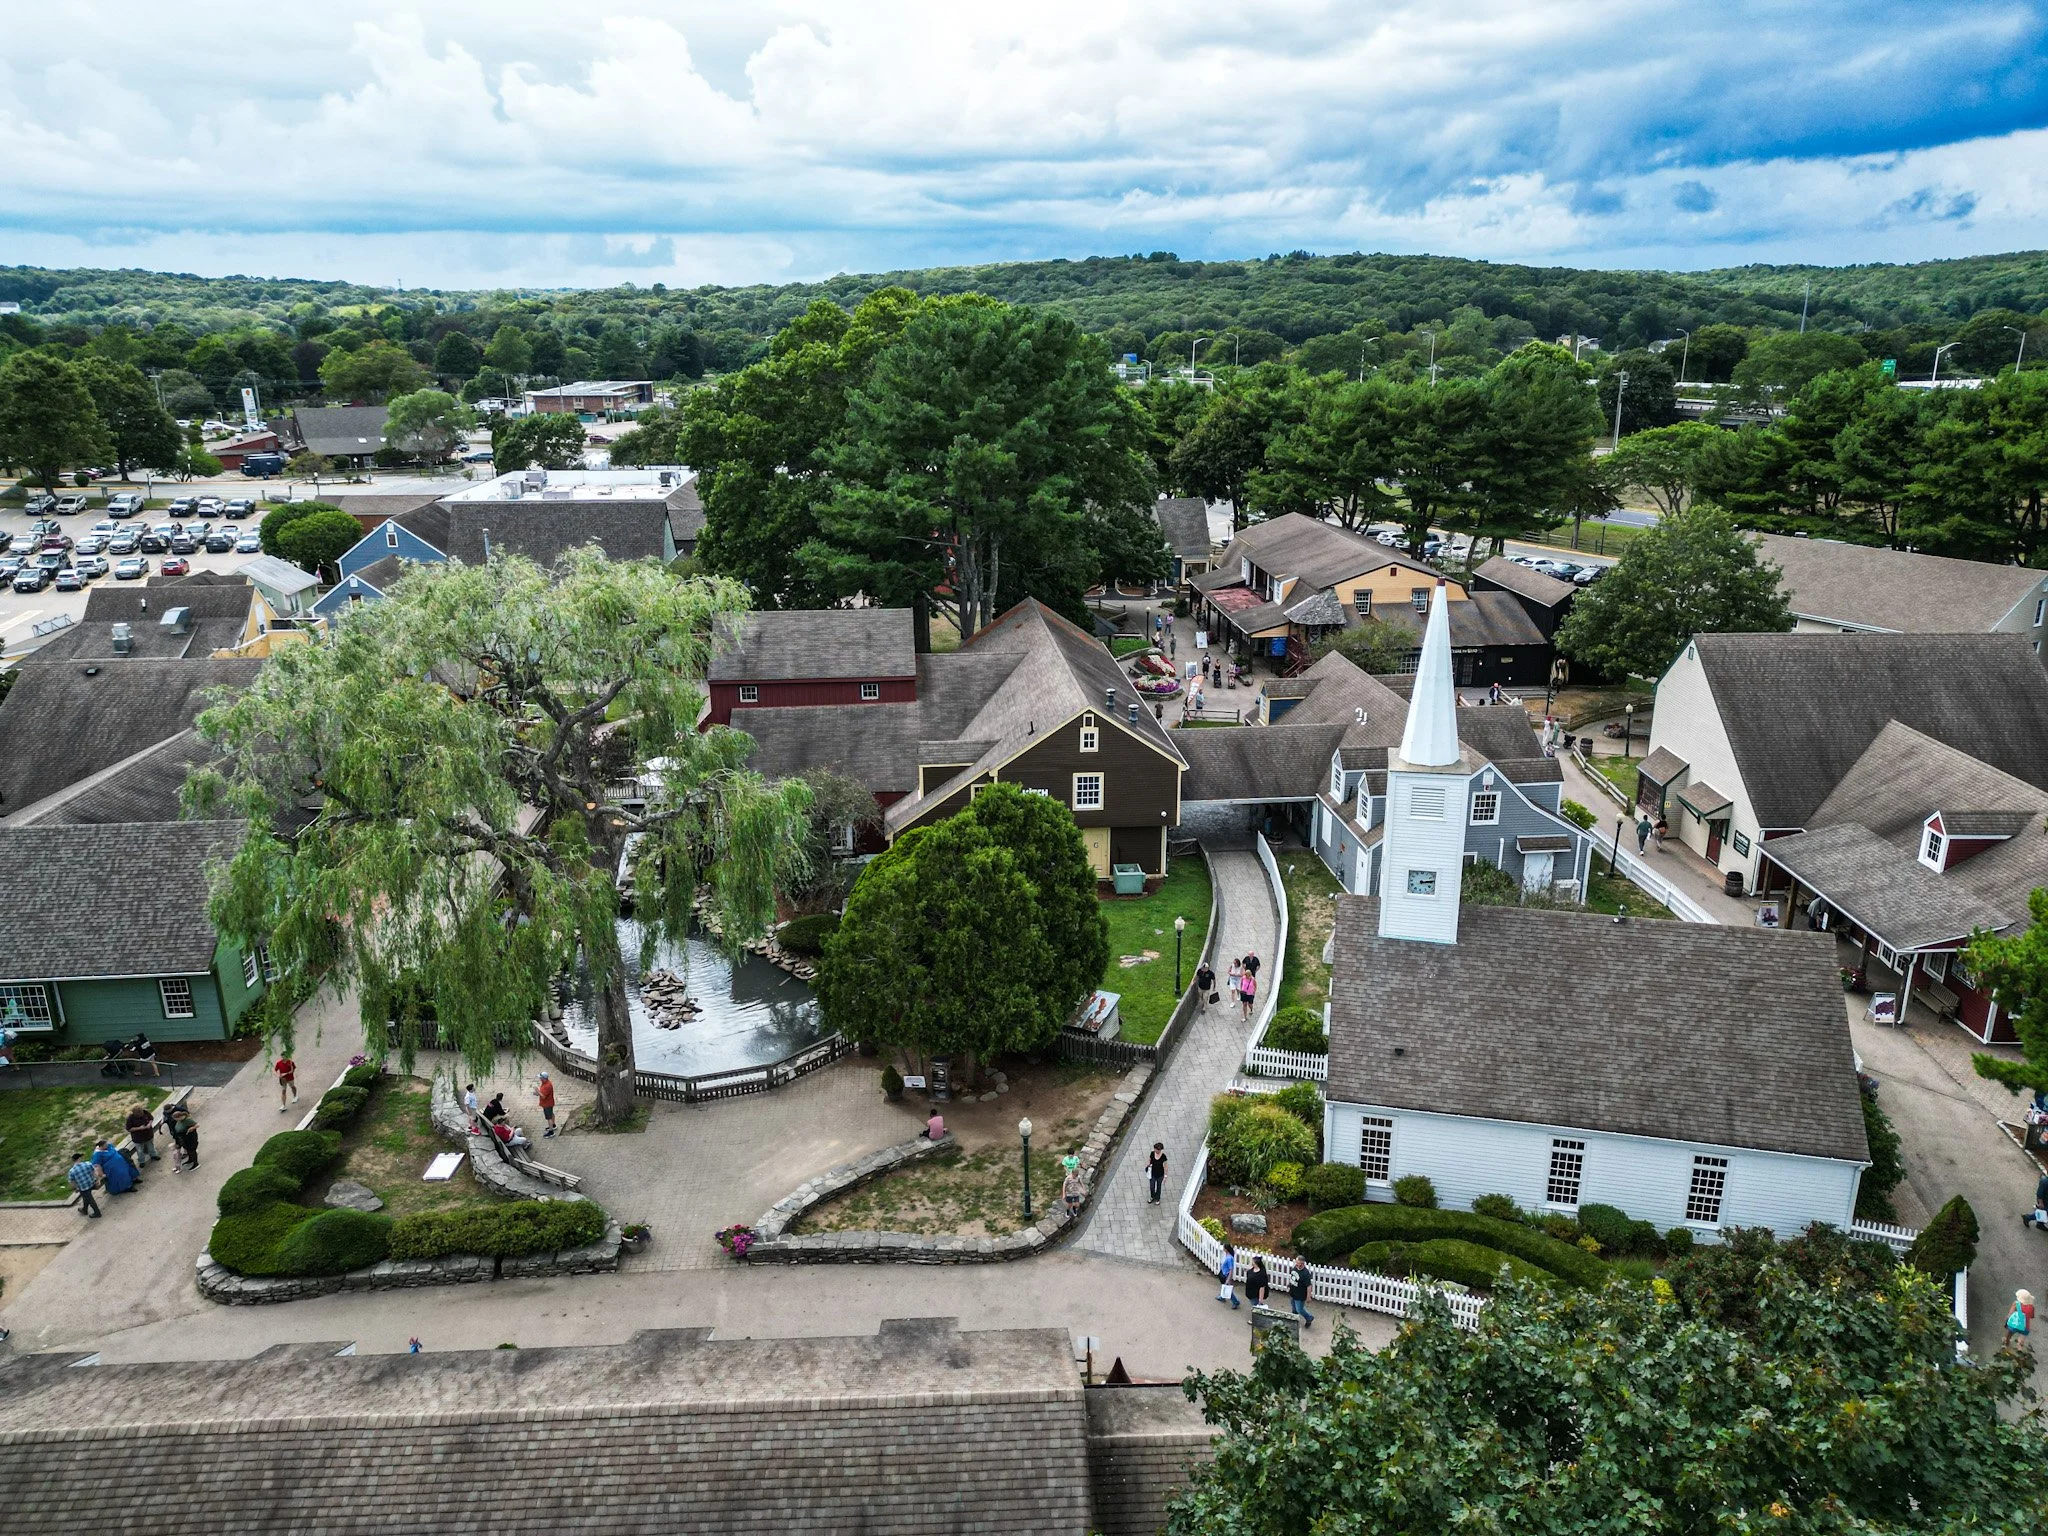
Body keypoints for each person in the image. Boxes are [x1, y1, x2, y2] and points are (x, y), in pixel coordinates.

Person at [67, 1151, 102, 1219]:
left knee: (90, 1200)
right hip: (91, 1183)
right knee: (86, 1197)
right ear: (79, 1158)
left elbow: (71, 1182)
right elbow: (94, 1172)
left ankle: (97, 1213)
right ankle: (84, 1209)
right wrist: (97, 1180)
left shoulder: (72, 1171)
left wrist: (76, 1188)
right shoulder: (88, 1164)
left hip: (83, 1188)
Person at [1287, 1260, 1315, 1328]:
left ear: (1302, 1264)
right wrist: (1289, 1284)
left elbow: (1309, 1286)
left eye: (1298, 1263)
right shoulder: (1295, 1268)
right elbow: (1292, 1277)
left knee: (1299, 1309)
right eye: (1296, 1262)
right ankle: (1294, 1318)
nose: (1296, 1264)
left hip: (1300, 1295)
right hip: (1293, 1292)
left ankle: (1309, 1318)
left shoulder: (1305, 1273)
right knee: (1293, 1307)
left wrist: (1308, 1296)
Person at [1217, 1244, 1240, 1309]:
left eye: (1224, 1248)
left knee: (1228, 1289)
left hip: (1226, 1275)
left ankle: (1235, 1302)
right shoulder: (1227, 1255)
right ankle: (1222, 1296)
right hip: (1223, 1273)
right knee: (1224, 1286)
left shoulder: (1229, 1258)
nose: (1223, 1249)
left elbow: (1231, 1269)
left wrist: (1228, 1279)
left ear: (1226, 1249)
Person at [537, 1071, 557, 1138]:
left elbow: (543, 1096)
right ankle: (553, 1125)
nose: (540, 1079)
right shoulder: (546, 1083)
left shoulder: (547, 1086)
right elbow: (543, 1093)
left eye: (541, 1078)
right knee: (551, 1114)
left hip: (547, 1104)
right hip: (549, 1102)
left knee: (549, 1117)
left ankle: (551, 1132)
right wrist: (538, 1093)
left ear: (544, 1078)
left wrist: (537, 1091)